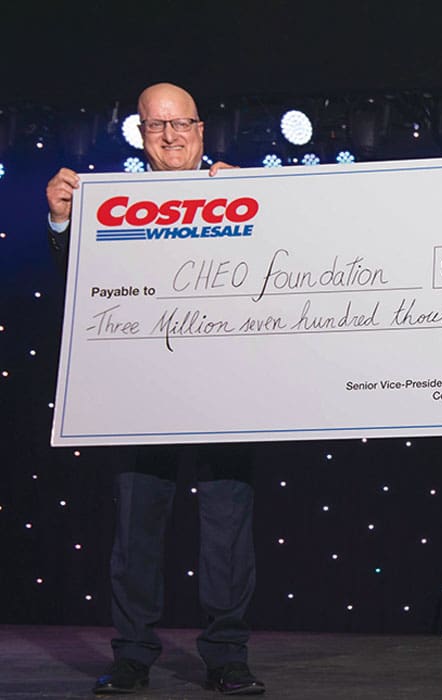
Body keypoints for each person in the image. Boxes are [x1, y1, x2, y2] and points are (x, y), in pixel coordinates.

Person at [46, 83, 265, 696]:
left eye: (181, 124)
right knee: (138, 529)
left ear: (202, 128)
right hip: (139, 393)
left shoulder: (241, 188)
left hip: (229, 390)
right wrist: (63, 219)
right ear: (139, 135)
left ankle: (226, 657)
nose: (169, 136)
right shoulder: (111, 200)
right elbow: (78, 286)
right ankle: (134, 657)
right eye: (154, 126)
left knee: (227, 529)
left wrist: (266, 207)